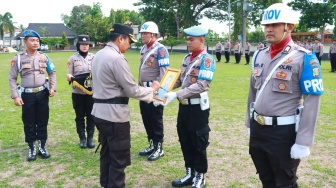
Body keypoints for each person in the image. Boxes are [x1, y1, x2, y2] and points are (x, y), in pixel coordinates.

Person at [245, 3, 323, 187]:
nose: (269, 29)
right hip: (258, 128)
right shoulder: (259, 56)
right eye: (266, 25)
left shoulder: (304, 57)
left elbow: (312, 101)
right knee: (266, 178)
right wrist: (250, 123)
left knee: (285, 182)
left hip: (283, 133)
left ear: (290, 27)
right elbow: (252, 92)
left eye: (276, 25)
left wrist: (303, 141)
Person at [91, 23, 160, 188]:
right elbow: (132, 90)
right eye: (129, 41)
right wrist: (152, 90)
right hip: (114, 116)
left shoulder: (99, 54)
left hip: (99, 112)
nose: (129, 45)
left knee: (106, 154)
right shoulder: (116, 59)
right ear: (120, 38)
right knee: (118, 160)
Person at [157, 25, 215, 188]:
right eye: (187, 39)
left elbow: (203, 85)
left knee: (199, 142)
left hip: (197, 108)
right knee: (185, 140)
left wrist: (176, 94)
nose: (188, 42)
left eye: (191, 39)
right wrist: (162, 89)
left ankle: (200, 175)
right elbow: (181, 80)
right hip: (184, 107)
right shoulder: (187, 59)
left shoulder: (207, 60)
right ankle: (189, 172)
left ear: (201, 40)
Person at [9, 30, 56, 161]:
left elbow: (52, 72)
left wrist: (52, 87)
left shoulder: (44, 57)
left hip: (42, 93)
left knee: (42, 120)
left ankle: (42, 146)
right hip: (27, 95)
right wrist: (15, 96)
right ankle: (31, 148)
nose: (35, 43)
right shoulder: (18, 58)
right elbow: (12, 78)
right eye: (32, 40)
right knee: (29, 122)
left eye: (37, 40)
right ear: (25, 41)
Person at [138, 21, 170, 161]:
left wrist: (160, 94)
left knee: (156, 119)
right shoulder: (143, 49)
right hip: (144, 89)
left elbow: (164, 73)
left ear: (153, 35)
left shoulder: (160, 49)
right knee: (146, 118)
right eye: (142, 33)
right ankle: (151, 143)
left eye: (145, 33)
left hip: (155, 90)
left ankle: (159, 147)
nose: (143, 36)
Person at [67, 34, 95, 149]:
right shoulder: (72, 59)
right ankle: (82, 138)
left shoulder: (94, 57)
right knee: (79, 116)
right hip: (77, 93)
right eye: (82, 44)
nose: (84, 46)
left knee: (91, 116)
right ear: (78, 45)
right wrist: (69, 76)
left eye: (86, 44)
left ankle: (90, 138)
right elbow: (69, 74)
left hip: (92, 92)